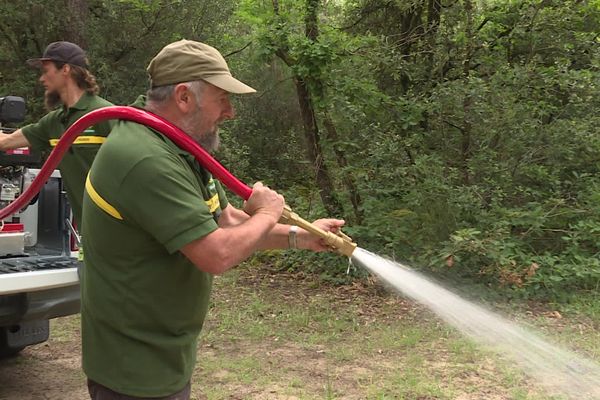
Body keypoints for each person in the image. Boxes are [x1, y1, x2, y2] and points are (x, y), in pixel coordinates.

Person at [80, 39, 345, 399]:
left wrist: (300, 235)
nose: (231, 112)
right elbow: (216, 253)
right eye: (223, 99)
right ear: (185, 97)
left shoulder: (176, 147)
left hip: (162, 353)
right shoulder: (144, 159)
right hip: (133, 366)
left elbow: (226, 220)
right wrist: (267, 212)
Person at [0, 41, 113, 225]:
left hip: (123, 233)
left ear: (66, 69)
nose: (42, 79)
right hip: (89, 232)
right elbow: (5, 141)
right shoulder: (53, 123)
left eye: (46, 71)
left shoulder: (105, 114)